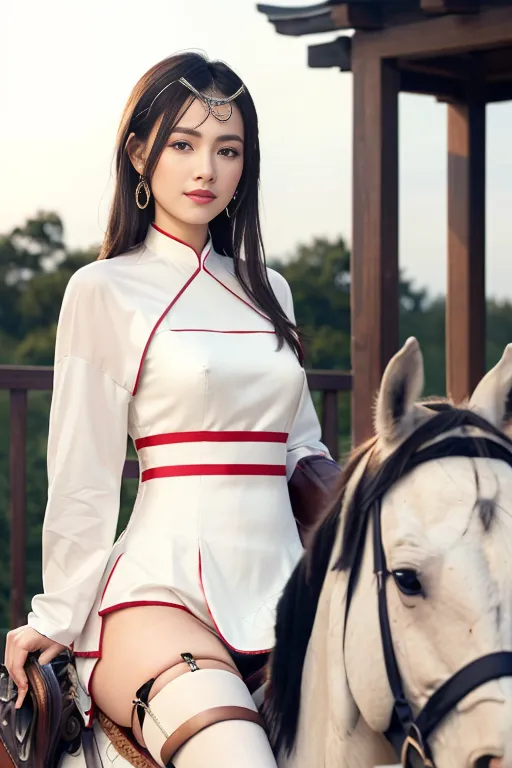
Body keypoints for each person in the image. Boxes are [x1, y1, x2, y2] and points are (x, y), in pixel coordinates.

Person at [3, 51, 339, 767]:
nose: (205, 170)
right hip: (160, 596)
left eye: (228, 150)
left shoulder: (270, 290)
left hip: (291, 591)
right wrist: (57, 617)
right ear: (138, 154)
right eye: (183, 144)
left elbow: (301, 449)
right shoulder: (103, 289)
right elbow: (83, 474)